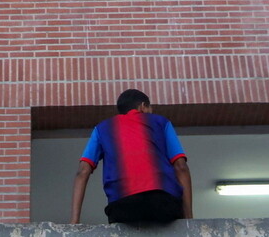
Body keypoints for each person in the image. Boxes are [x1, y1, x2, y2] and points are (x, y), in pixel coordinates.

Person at [70, 89, 192, 224]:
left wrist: (74, 223)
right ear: (143, 106)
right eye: (150, 109)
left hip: (122, 206)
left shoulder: (102, 128)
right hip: (163, 202)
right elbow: (181, 167)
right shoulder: (161, 122)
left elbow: (82, 171)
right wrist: (189, 221)